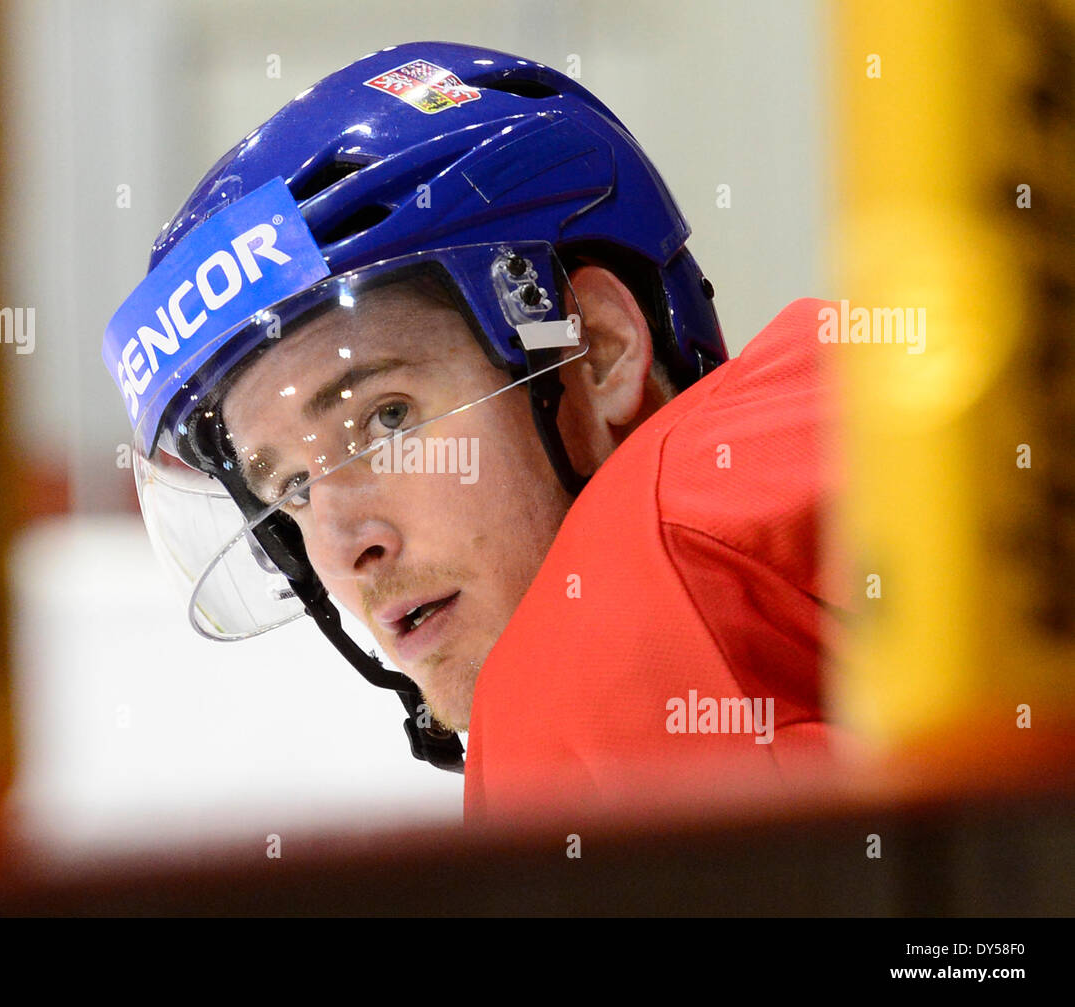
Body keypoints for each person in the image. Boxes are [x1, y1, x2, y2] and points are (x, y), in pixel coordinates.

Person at [102, 41, 845, 827]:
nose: (346, 544)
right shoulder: (864, 402)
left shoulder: (581, 668)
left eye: (384, 420)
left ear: (596, 350)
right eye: (291, 487)